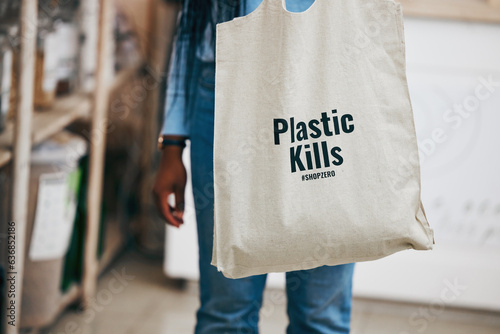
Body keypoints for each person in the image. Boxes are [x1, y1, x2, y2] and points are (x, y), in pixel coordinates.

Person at [153, 1, 355, 333]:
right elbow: (193, 16)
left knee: (321, 319)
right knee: (226, 313)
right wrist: (172, 143)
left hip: (326, 87)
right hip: (224, 88)